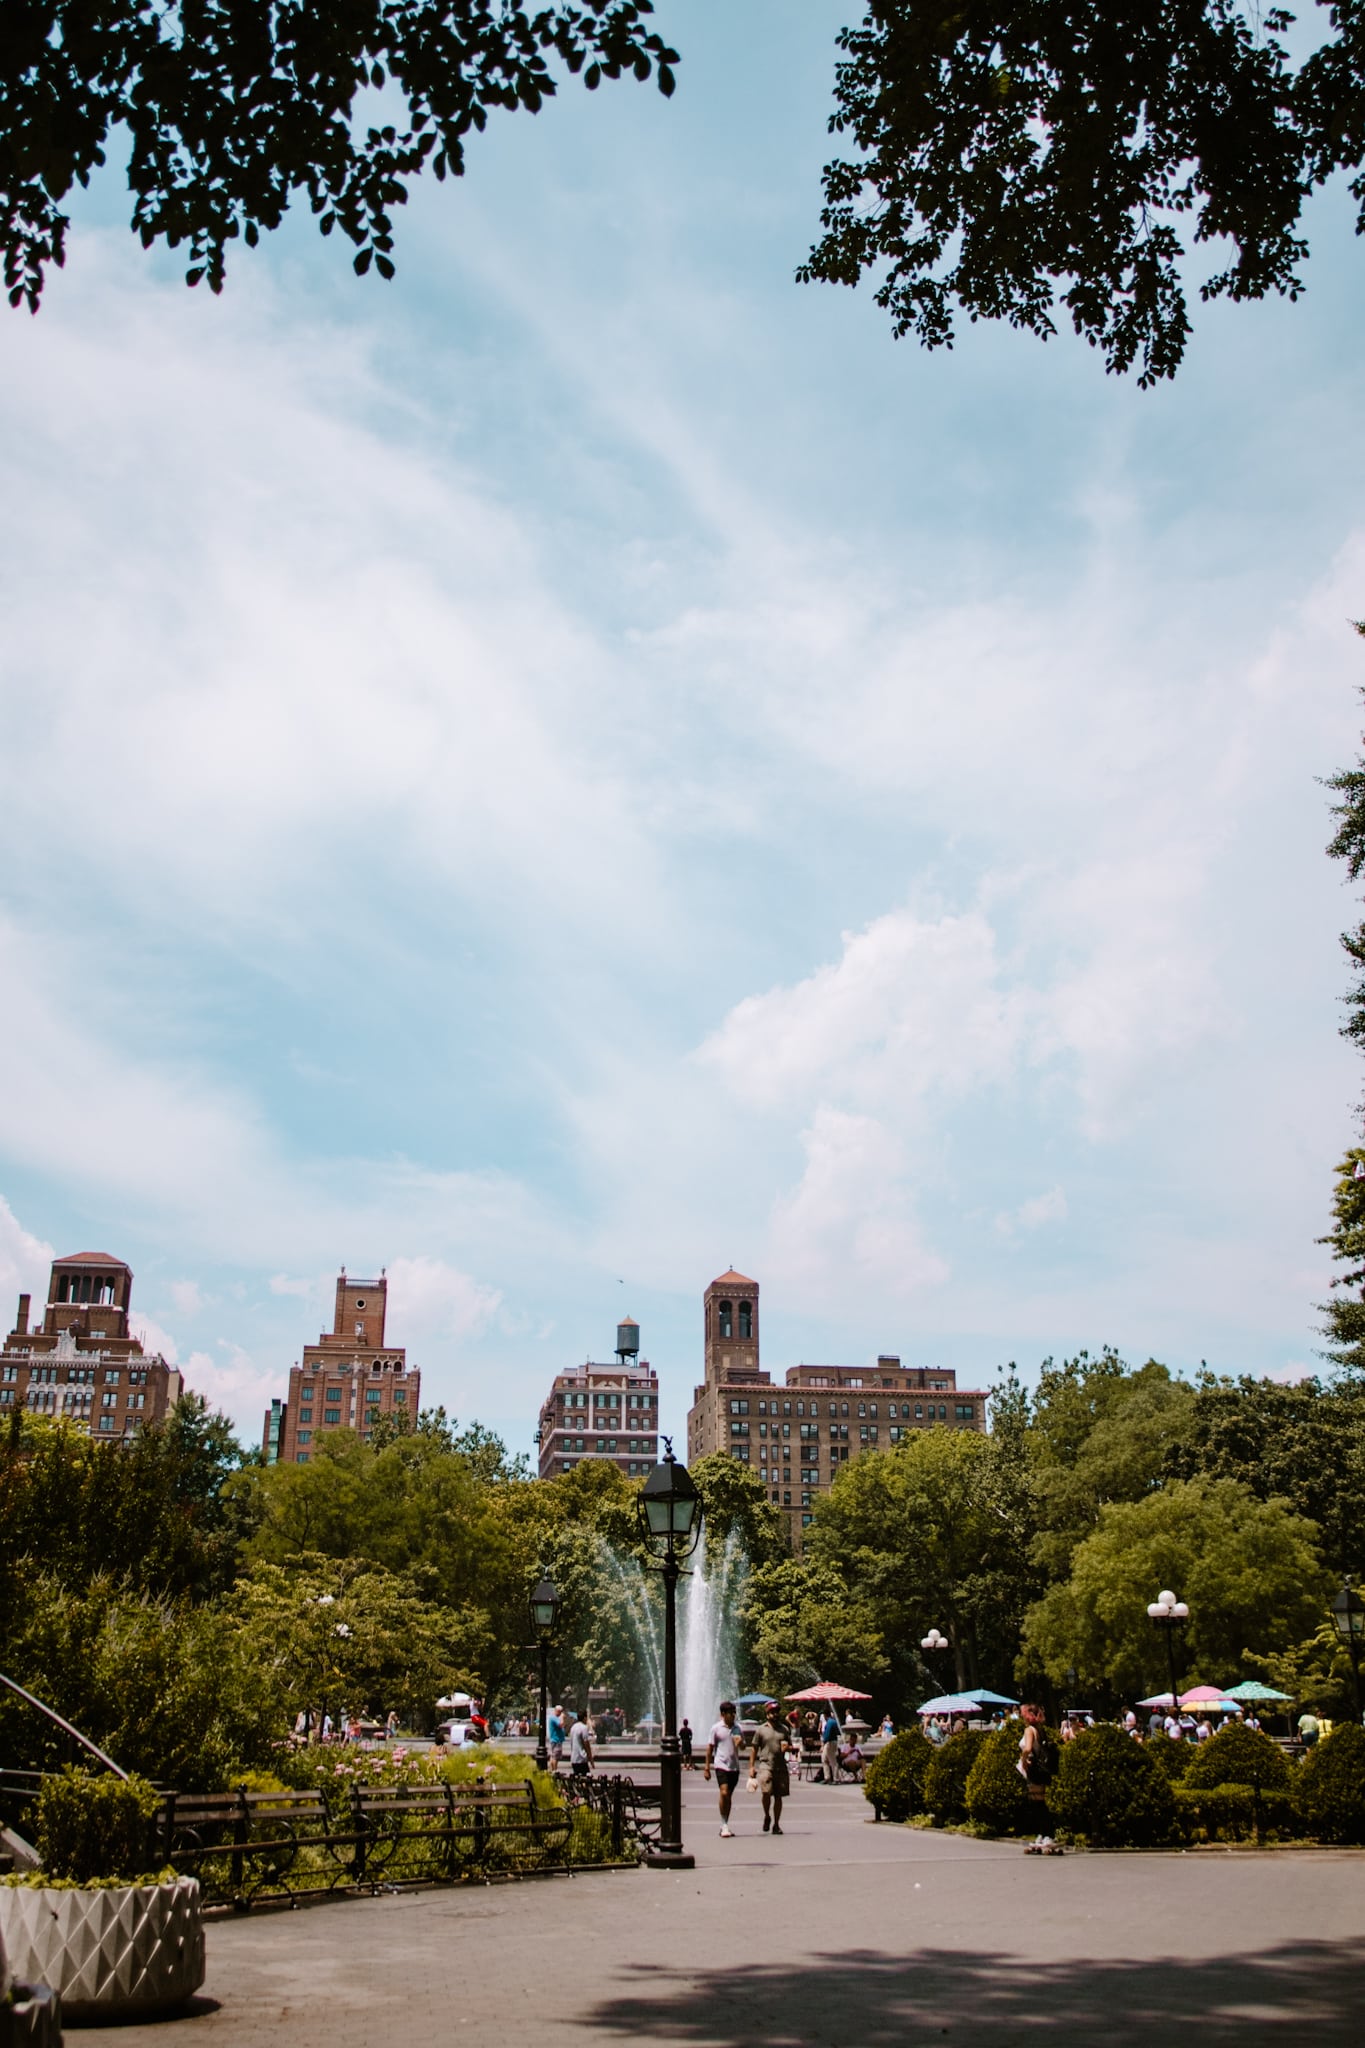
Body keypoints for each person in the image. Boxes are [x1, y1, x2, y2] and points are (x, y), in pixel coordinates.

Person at [1017, 1703, 1060, 1854]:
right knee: (1041, 1803)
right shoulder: (1040, 1729)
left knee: (1038, 1804)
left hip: (1033, 1769)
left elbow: (1028, 1748)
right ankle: (1044, 1834)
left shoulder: (1029, 1730)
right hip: (1042, 1770)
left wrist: (1023, 1760)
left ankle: (1047, 1834)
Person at [749, 1700, 791, 1835]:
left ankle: (776, 1824)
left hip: (780, 1765)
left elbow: (790, 1746)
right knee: (766, 1792)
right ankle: (767, 1815)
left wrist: (789, 1748)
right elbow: (754, 1749)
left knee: (778, 1796)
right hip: (765, 1764)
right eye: (772, 1712)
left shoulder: (784, 1729)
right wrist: (751, 1767)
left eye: (777, 1712)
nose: (775, 1714)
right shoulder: (761, 1729)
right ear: (767, 1714)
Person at [704, 1700, 742, 1837]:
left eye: (734, 1713)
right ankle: (724, 1823)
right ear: (723, 1714)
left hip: (734, 1767)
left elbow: (743, 1747)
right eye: (730, 1713)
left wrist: (741, 1743)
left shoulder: (738, 1728)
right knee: (724, 1792)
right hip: (720, 1765)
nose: (733, 1716)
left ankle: (725, 1822)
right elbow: (710, 1748)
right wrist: (707, 1767)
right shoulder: (716, 1728)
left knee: (728, 1796)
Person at [568, 1713, 594, 1780]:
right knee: (586, 1779)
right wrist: (590, 1759)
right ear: (585, 1718)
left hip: (574, 1758)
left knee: (577, 1778)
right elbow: (586, 1744)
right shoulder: (584, 1727)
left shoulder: (573, 1727)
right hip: (581, 1758)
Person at [820, 1708, 841, 1784]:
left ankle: (836, 1779)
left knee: (832, 1761)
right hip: (833, 1741)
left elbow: (827, 1734)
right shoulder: (833, 1721)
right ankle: (827, 1777)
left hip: (830, 1742)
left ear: (825, 1715)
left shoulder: (829, 1722)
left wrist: (823, 1743)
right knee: (824, 1759)